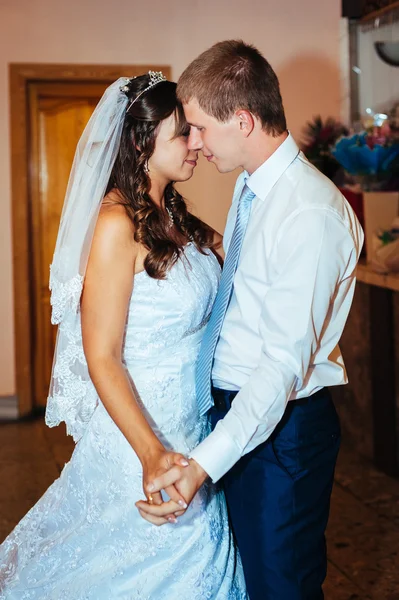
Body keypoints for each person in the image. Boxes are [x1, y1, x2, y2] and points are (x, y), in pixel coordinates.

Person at [0, 73, 247, 599]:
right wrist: (152, 454)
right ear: (142, 141)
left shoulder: (174, 214)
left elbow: (238, 261)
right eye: (183, 133)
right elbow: (103, 357)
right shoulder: (115, 224)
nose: (196, 144)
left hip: (194, 426)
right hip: (144, 435)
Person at [137, 42, 364, 600]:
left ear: (242, 120)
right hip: (241, 424)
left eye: (198, 128)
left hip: (280, 433)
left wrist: (200, 468)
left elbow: (279, 368)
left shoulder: (309, 213)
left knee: (279, 588)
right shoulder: (253, 187)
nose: (193, 143)